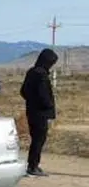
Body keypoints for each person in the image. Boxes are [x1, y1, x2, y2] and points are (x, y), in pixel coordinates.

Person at [20, 48, 58, 177]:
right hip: (40, 113)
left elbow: (23, 91)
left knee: (36, 139)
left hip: (31, 111)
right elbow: (43, 95)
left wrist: (31, 101)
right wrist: (49, 105)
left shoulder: (31, 72)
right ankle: (33, 166)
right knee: (38, 140)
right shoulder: (41, 74)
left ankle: (33, 165)